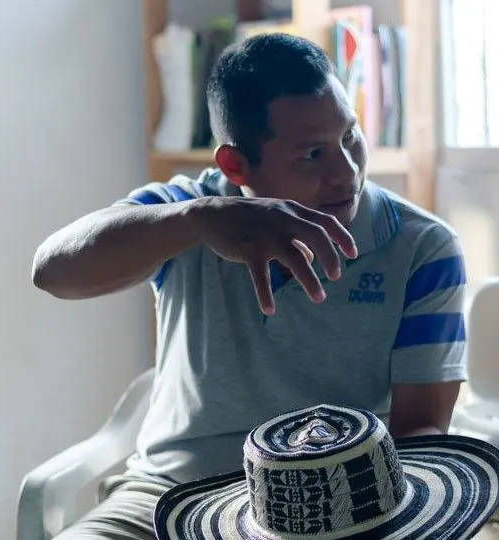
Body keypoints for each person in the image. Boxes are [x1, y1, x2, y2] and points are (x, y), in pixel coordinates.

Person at [32, 33, 467, 540]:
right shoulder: (186, 209)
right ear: (235, 166)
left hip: (335, 509)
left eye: (350, 138)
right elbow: (52, 270)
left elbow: (421, 435)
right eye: (311, 155)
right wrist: (197, 220)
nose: (345, 174)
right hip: (169, 493)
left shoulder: (422, 247)